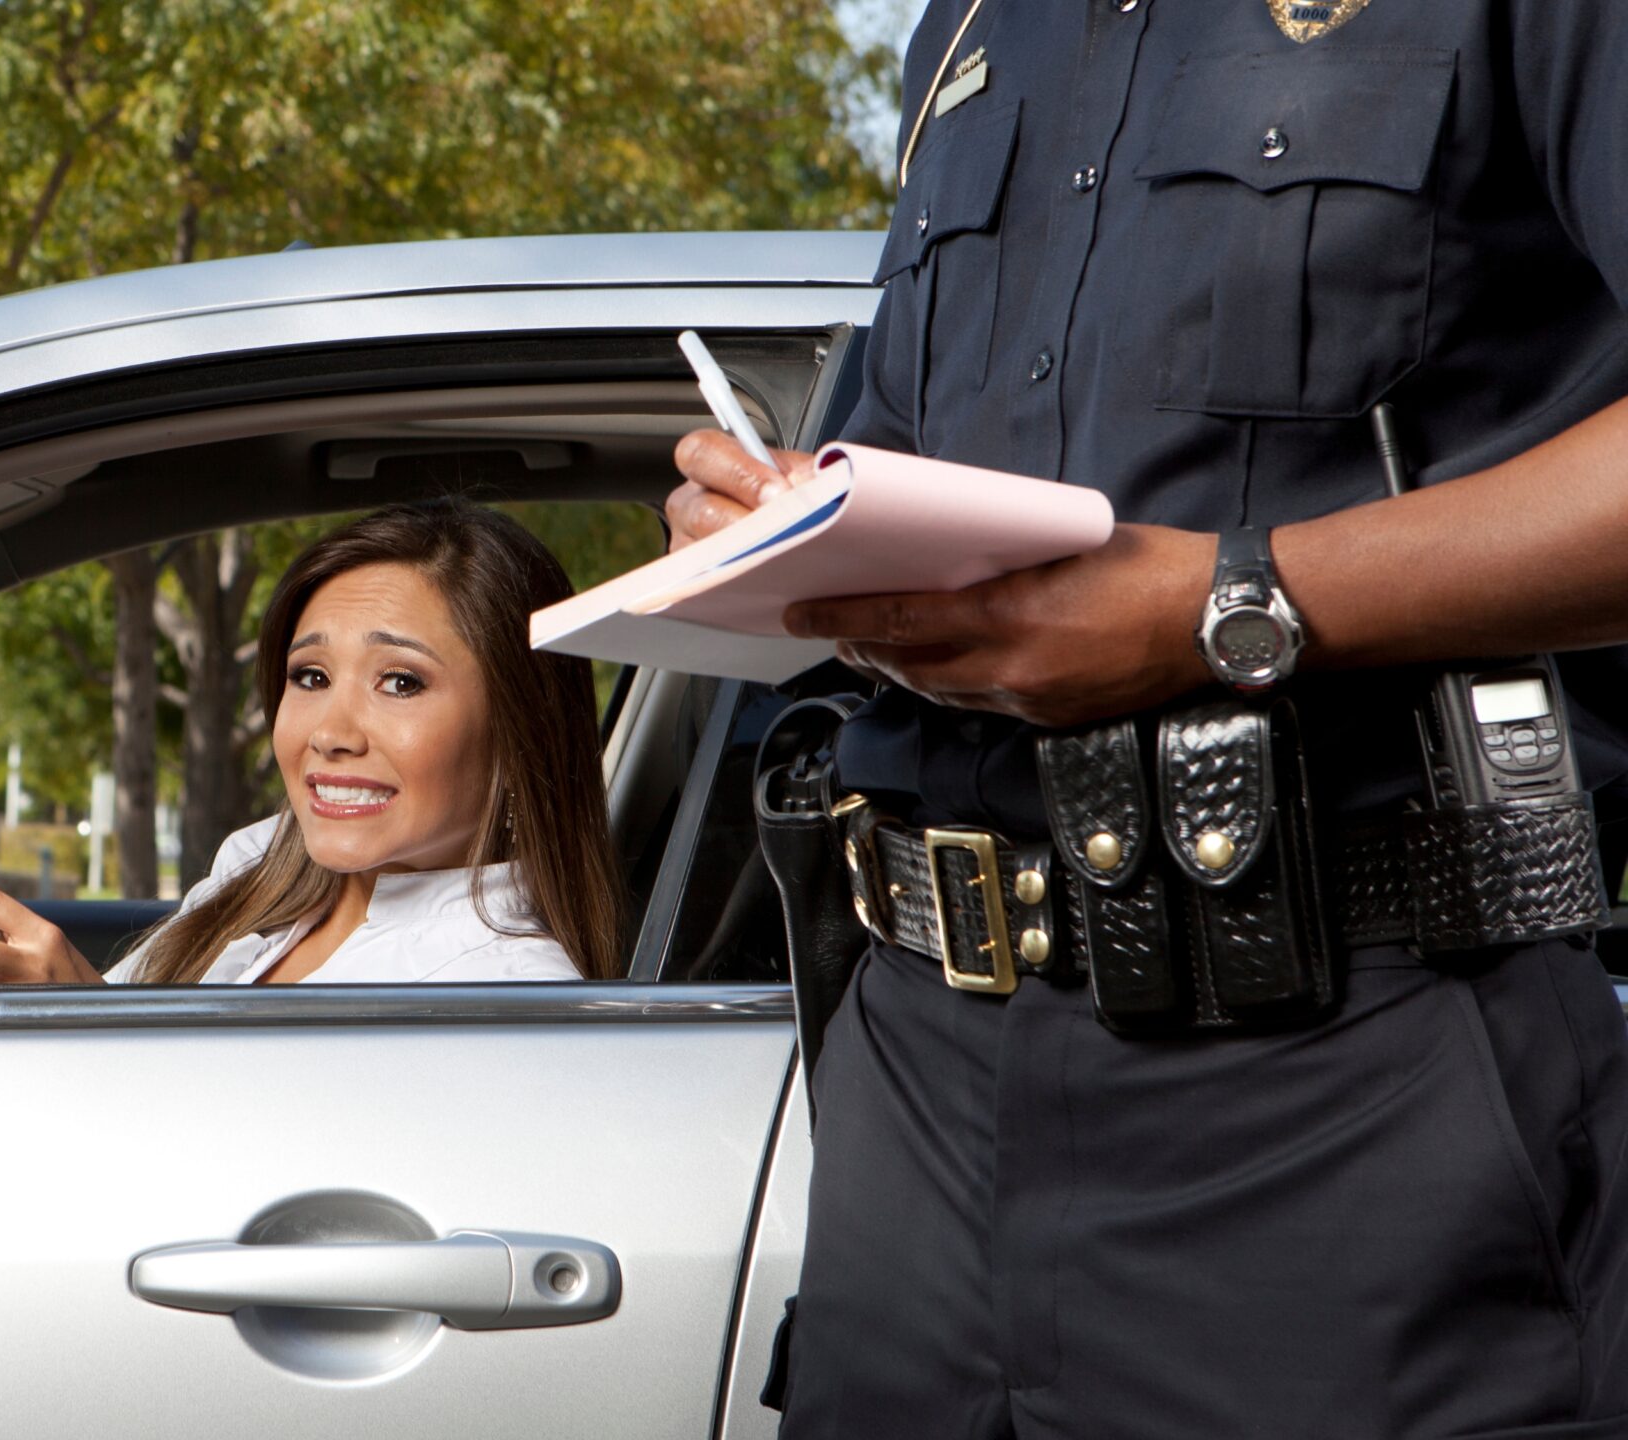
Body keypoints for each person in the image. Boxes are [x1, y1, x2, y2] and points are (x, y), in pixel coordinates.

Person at [670, 4, 1628, 1435]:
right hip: (919, 1102)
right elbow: (920, 458)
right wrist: (785, 519)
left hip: (1352, 1087)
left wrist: (1236, 601)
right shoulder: (976, 18)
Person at [0, 502, 626, 986]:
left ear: (519, 729)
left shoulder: (509, 1000)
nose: (330, 733)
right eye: (311, 676)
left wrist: (77, 1022)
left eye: (400, 683)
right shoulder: (256, 871)